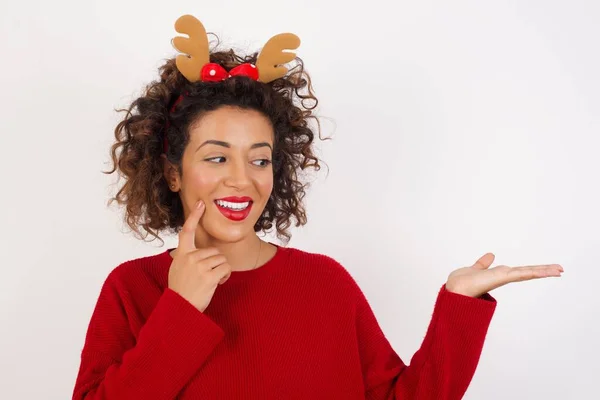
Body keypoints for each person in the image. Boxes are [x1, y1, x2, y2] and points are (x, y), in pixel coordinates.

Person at [72, 14, 564, 400]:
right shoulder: (133, 289)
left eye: (259, 159)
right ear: (173, 172)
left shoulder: (325, 283)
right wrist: (179, 309)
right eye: (217, 156)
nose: (242, 178)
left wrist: (460, 304)